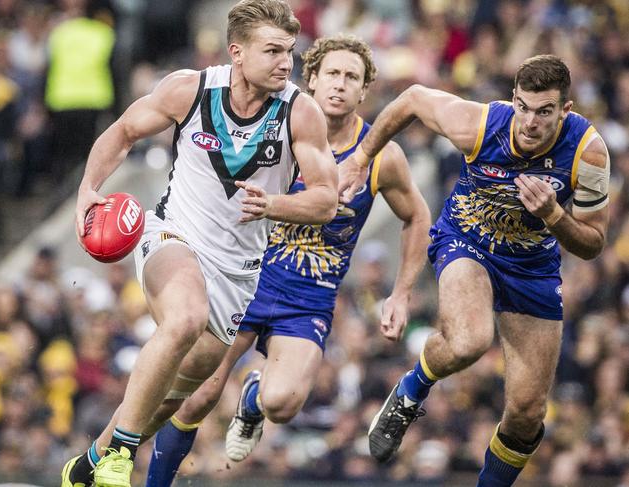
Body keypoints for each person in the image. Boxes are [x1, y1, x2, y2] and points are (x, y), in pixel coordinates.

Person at [61, 1, 339, 487]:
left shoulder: (300, 112)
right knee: (185, 317)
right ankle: (121, 459)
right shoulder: (189, 89)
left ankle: (88, 463)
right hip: (173, 234)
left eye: (289, 51)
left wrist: (275, 206)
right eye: (272, 50)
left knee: (178, 395)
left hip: (239, 271)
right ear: (237, 52)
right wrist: (88, 187)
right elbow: (124, 131)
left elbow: (325, 200)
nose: (285, 63)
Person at [144, 34, 431, 487]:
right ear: (311, 79)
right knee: (199, 396)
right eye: (331, 73)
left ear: (364, 90)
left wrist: (401, 292)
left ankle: (254, 399)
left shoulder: (381, 156)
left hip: (309, 298)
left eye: (351, 77)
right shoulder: (278, 126)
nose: (340, 85)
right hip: (249, 278)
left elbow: (417, 217)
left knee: (283, 404)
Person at [339, 54, 610, 486]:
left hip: (533, 266)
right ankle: (411, 390)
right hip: (468, 240)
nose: (530, 122)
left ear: (566, 110)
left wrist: (555, 216)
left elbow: (594, 244)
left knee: (527, 413)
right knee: (469, 340)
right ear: (513, 100)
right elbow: (411, 99)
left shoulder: (589, 153)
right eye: (523, 106)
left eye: (544, 112)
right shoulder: (480, 124)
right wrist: (360, 158)